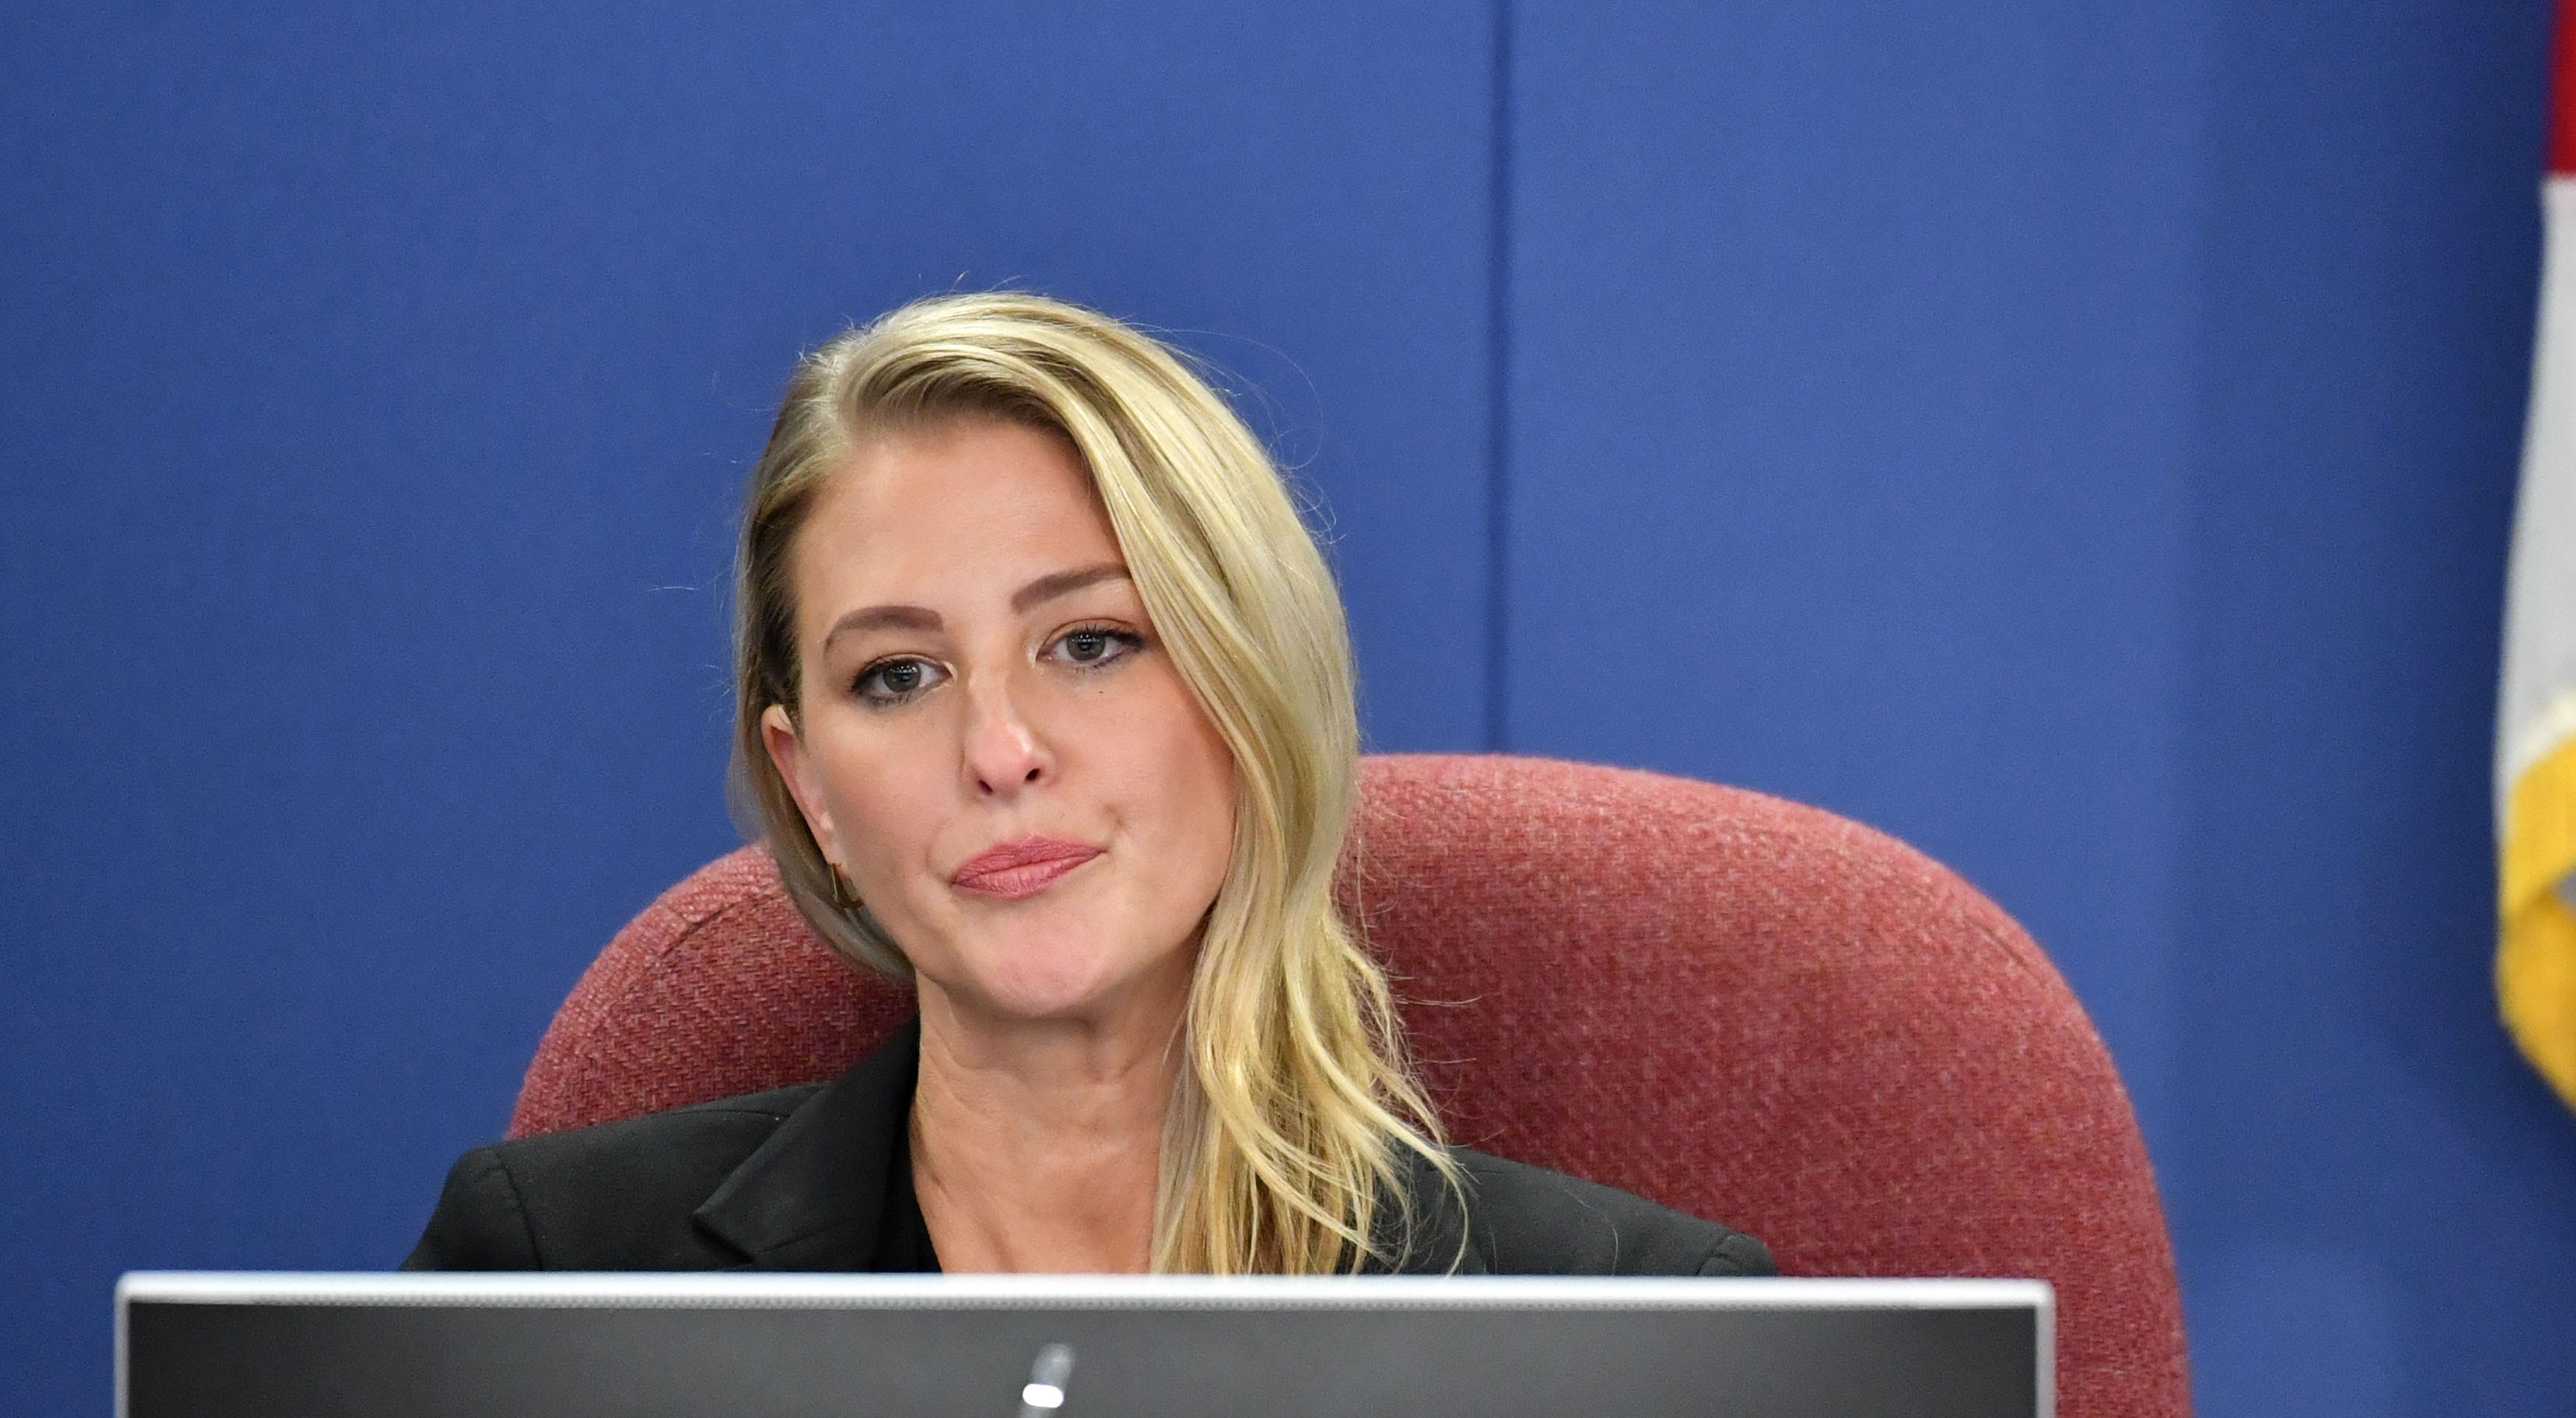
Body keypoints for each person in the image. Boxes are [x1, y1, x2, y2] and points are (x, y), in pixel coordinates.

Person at [407, 292, 1771, 1279]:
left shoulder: (1627, 1331)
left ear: (1249, 693)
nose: (998, 750)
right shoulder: (554, 1271)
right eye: (896, 675)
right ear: (808, 787)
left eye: (1092, 643)